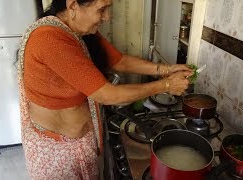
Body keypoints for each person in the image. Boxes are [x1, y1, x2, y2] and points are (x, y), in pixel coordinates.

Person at [17, 0, 193, 179]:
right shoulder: (49, 40)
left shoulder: (78, 31)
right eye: (102, 9)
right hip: (57, 153)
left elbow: (119, 61)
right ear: (72, 6)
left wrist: (166, 70)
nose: (107, 17)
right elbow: (106, 95)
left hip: (81, 143)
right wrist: (166, 85)